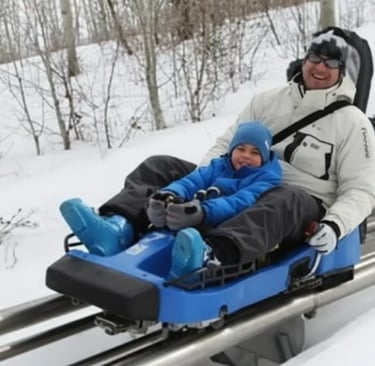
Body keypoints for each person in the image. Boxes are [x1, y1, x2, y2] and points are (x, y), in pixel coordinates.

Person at [59, 27, 375, 283]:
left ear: (342, 71)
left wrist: (334, 225)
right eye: (315, 57)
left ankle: (209, 257)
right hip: (240, 180)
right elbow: (225, 146)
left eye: (331, 62)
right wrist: (204, 187)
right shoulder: (267, 102)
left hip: (300, 203)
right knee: (160, 166)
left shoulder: (352, 123)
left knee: (283, 200)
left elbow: (361, 190)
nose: (319, 67)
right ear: (304, 59)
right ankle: (118, 227)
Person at [60, 122, 281, 259]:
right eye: (240, 149)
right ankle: (117, 228)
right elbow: (192, 180)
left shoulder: (265, 178)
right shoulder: (219, 165)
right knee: (157, 167)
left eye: (254, 152)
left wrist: (203, 211)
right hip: (193, 215)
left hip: (221, 223)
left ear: (264, 156)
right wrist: (167, 195)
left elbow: (240, 202)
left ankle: (200, 259)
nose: (245, 156)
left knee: (201, 234)